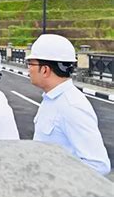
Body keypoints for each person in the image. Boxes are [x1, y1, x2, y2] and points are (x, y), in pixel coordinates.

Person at [26, 34, 110, 175]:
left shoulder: (71, 106)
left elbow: (98, 165)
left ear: (45, 70)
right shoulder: (51, 99)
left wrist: (55, 176)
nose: (28, 69)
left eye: (31, 64)